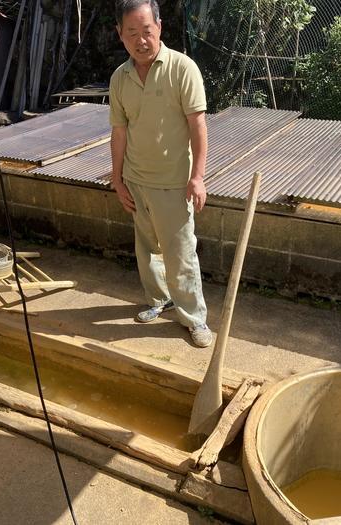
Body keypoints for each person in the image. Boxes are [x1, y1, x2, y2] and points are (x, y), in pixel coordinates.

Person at [109, 0, 213, 348]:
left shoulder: (183, 68)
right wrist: (117, 177)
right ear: (120, 34)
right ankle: (159, 300)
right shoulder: (119, 78)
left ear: (160, 28)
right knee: (147, 249)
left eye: (147, 31)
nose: (141, 40)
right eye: (132, 33)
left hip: (173, 182)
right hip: (136, 179)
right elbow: (120, 131)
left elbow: (198, 124)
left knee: (180, 253)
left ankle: (194, 318)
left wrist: (197, 177)